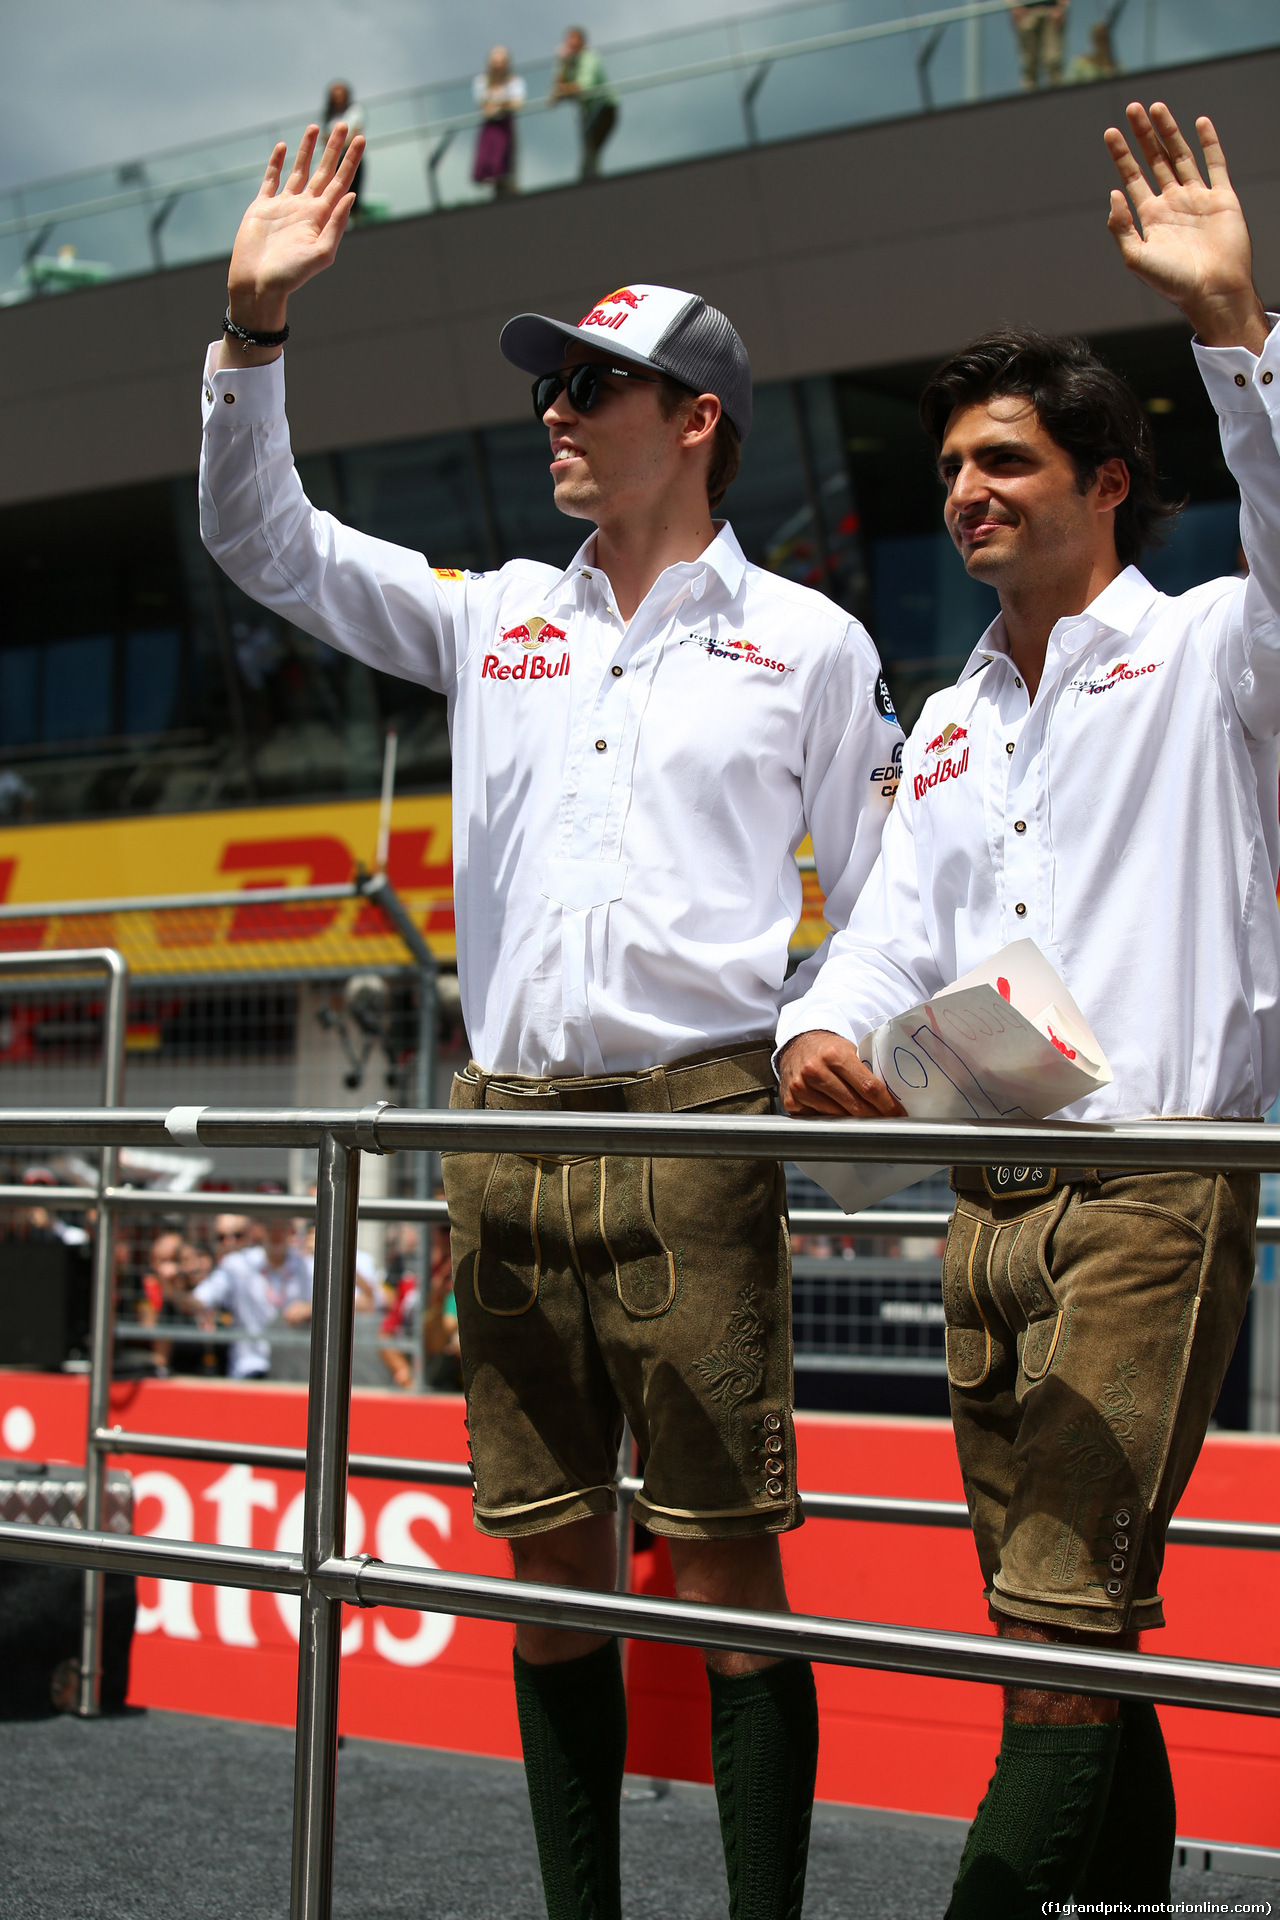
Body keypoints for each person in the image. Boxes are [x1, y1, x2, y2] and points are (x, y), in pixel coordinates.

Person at [198, 118, 903, 1920]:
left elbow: (890, 874)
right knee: (543, 1568)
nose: (555, 414)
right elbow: (262, 543)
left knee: (732, 1573)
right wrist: (254, 340)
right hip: (503, 1130)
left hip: (698, 1126)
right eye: (555, 386)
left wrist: (826, 1020)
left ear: (696, 422)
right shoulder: (495, 615)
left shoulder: (812, 644)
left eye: (592, 385)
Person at [777, 103, 1280, 1914]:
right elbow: (887, 933)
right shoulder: (955, 712)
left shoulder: (1225, 645)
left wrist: (1237, 330)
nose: (968, 493)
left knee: (1060, 1617)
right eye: (953, 473)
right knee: (1061, 1607)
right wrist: (815, 1037)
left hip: (1155, 1181)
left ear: (1103, 479)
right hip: (981, 1191)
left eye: (1005, 462)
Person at [189, 1215, 313, 1380]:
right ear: (258, 1230)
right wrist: (172, 1290)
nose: (276, 1233)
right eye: (269, 1226)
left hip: (295, 1372)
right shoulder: (238, 1264)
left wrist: (312, 1308)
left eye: (281, 1226)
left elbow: (353, 1303)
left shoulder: (309, 1265)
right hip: (249, 1368)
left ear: (290, 1230)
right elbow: (199, 1298)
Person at [551, 26, 617, 180]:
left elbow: (584, 88)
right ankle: (589, 177)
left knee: (591, 149)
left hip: (604, 108)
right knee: (588, 150)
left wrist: (565, 90)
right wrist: (563, 64)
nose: (571, 46)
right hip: (587, 111)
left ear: (582, 43)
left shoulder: (590, 57)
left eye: (575, 41)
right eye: (569, 43)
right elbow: (554, 96)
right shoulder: (566, 63)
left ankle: (589, 179)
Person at [473, 46, 526, 197]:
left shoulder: (515, 81)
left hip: (506, 126)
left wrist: (498, 104)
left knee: (505, 162)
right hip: (489, 126)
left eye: (501, 62)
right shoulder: (481, 81)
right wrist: (504, 103)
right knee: (489, 162)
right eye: (495, 62)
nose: (498, 65)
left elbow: (518, 103)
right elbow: (484, 106)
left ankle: (506, 189)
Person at [321, 82, 365, 213]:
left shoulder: (355, 110)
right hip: (334, 161)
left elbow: (355, 135)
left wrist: (337, 143)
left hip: (352, 157)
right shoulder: (328, 115)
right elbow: (324, 138)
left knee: (354, 195)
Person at [1011, 0, 1069, 89]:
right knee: (1029, 64)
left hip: (1051, 11)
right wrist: (1014, 7)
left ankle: (1059, 98)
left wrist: (1061, 6)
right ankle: (1029, 100)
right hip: (1026, 12)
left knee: (1053, 61)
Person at [1067, 18, 1122, 83]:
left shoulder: (1118, 68)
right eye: (1100, 38)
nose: (1103, 43)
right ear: (1093, 40)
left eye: (1105, 38)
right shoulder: (1080, 64)